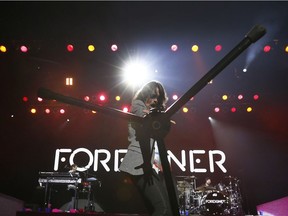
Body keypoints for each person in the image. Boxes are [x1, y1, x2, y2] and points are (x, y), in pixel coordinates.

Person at [119, 80, 173, 216]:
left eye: (158, 98)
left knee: (169, 209)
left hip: (146, 163)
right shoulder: (138, 105)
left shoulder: (151, 111)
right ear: (145, 94)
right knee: (163, 208)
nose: (155, 100)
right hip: (138, 163)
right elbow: (144, 124)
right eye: (153, 96)